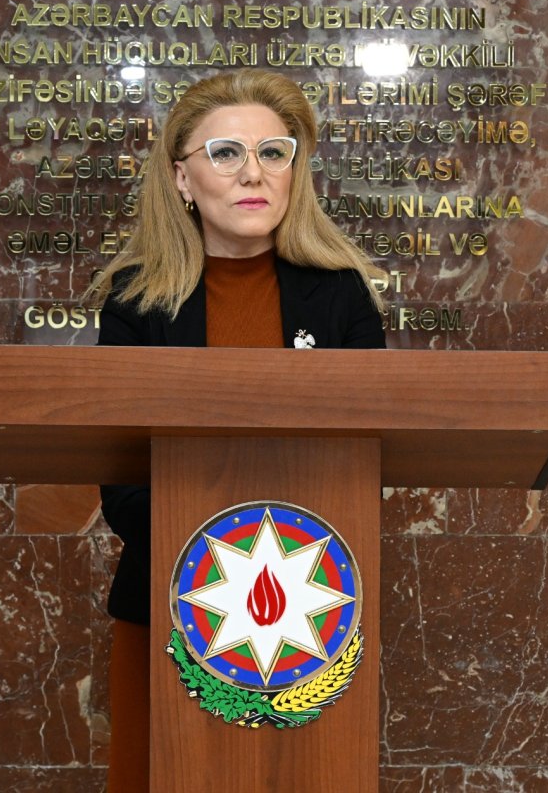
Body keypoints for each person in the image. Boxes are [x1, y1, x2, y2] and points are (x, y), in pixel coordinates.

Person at [87, 68, 386, 791]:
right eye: (225, 153)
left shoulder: (342, 297)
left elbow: (364, 466)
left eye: (274, 152)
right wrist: (237, 546)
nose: (253, 172)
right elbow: (123, 490)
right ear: (182, 179)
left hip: (313, 619)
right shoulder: (135, 304)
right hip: (169, 611)